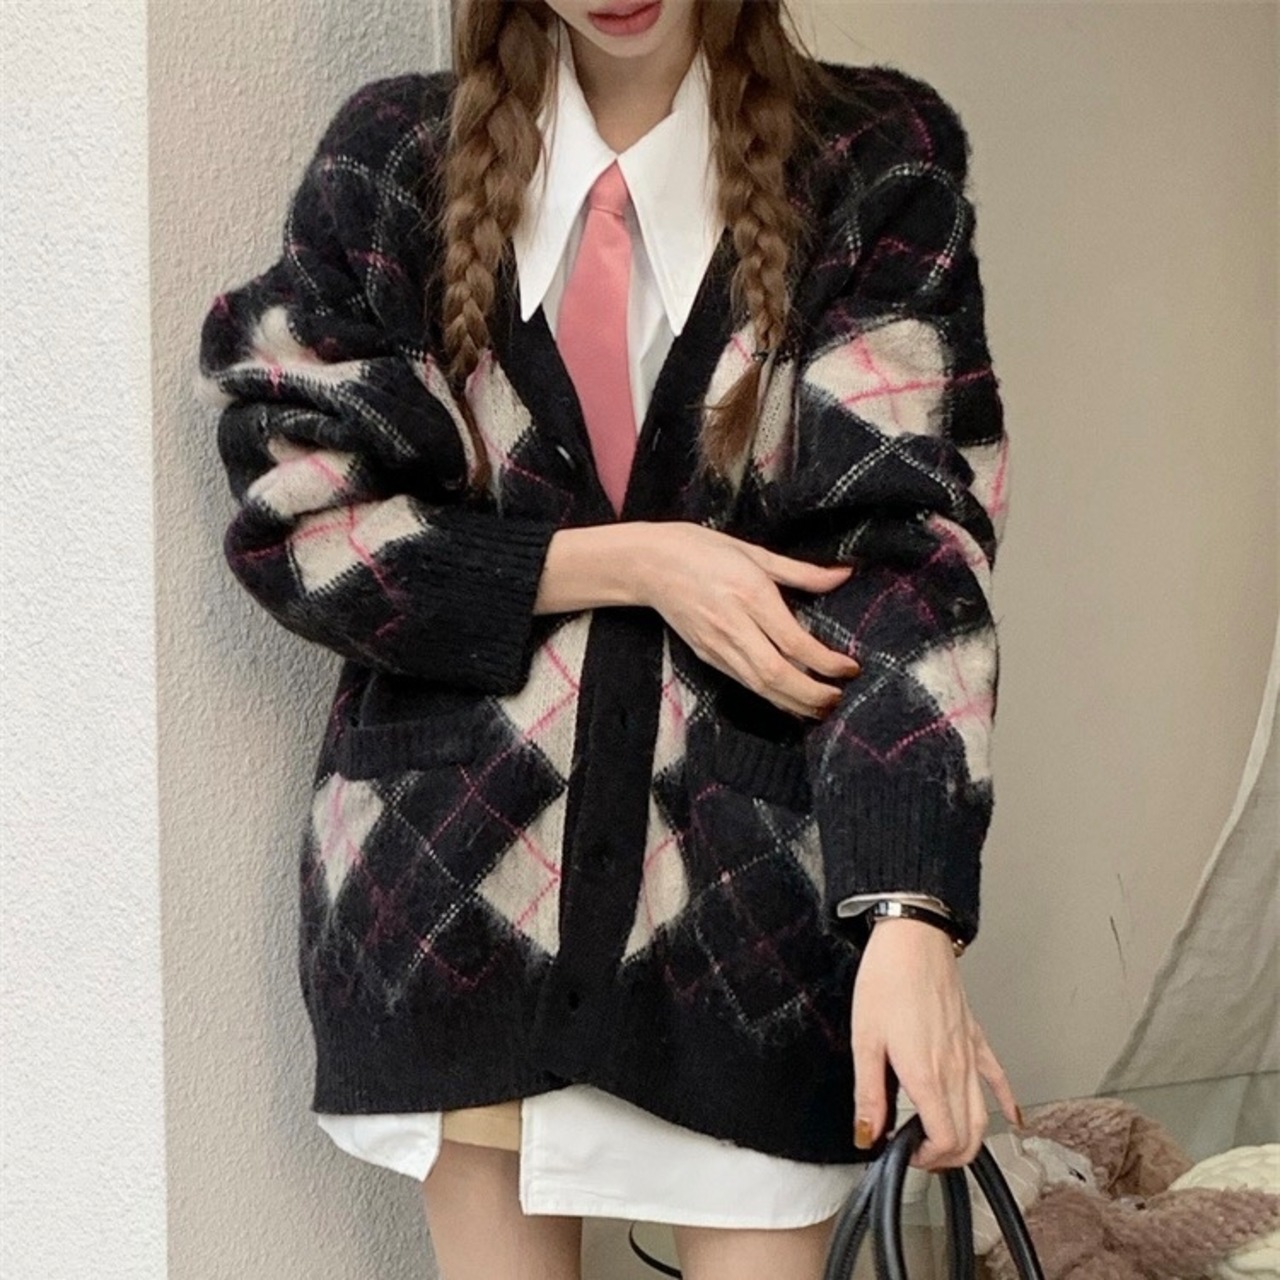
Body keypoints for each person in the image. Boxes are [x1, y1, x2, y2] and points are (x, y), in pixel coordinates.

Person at [196, 0, 1024, 1276]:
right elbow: (297, 513)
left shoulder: (868, 163)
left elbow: (906, 560)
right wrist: (637, 562)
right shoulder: (397, 159)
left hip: (752, 912)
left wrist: (906, 908)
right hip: (463, 897)